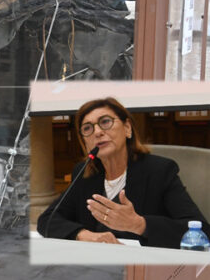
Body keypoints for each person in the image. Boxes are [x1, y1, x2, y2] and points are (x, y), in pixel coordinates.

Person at [37, 97, 210, 248]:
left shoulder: (159, 171)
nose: (98, 132)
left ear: (127, 128)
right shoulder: (84, 174)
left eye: (105, 122)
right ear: (85, 142)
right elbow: (47, 219)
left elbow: (202, 231)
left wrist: (140, 225)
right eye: (87, 128)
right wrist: (83, 235)